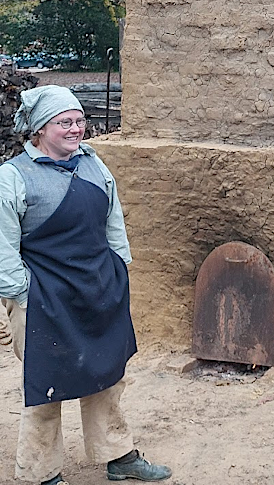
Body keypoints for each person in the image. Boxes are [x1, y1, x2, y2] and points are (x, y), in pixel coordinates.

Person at [0, 86, 172, 485]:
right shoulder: (13, 178)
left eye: (79, 120)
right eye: (65, 122)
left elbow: (114, 222)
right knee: (47, 384)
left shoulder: (94, 165)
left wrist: (118, 270)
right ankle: (41, 472)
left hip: (98, 290)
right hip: (44, 297)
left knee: (108, 375)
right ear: (40, 129)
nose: (76, 129)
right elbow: (4, 246)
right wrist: (22, 295)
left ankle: (119, 456)